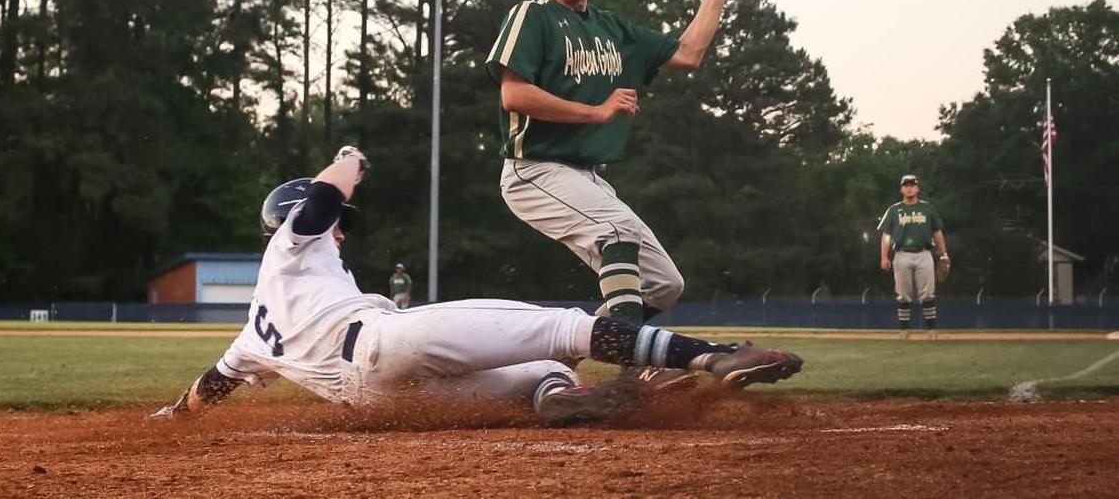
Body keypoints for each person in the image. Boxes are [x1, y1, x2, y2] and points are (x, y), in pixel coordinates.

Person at [152, 146, 803, 424]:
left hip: (378, 401)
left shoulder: (254, 326)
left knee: (545, 368)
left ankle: (559, 399)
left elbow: (213, 384)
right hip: (382, 343)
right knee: (561, 325)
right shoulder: (291, 246)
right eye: (336, 224)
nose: (340, 230)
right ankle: (712, 356)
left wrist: (173, 415)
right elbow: (320, 205)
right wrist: (349, 163)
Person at [485, 0, 742, 328]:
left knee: (663, 285)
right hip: (534, 170)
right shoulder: (532, 16)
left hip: (587, 178)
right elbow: (514, 94)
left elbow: (688, 53)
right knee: (618, 233)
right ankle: (634, 365)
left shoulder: (611, 29)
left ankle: (576, 346)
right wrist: (597, 111)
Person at [877, 174, 950, 339]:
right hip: (902, 253)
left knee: (928, 293)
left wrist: (943, 253)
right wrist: (884, 257)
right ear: (901, 189)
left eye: (912, 185)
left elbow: (937, 232)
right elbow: (886, 236)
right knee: (903, 293)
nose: (909, 188)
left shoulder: (928, 208)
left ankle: (931, 331)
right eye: (906, 185)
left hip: (924, 253)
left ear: (918, 188)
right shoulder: (894, 210)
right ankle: (904, 331)